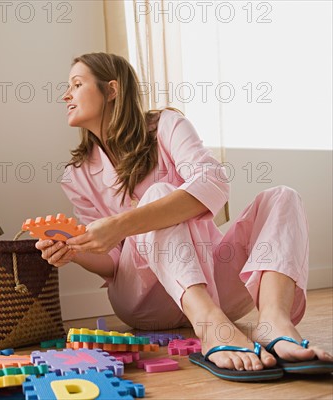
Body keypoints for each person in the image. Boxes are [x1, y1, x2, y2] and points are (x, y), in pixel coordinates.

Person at [37, 52, 333, 379]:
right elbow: (113, 261)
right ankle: (209, 325)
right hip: (144, 299)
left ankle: (275, 322)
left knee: (282, 197)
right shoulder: (77, 175)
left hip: (216, 286)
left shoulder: (166, 125)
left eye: (77, 84)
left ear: (111, 90)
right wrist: (77, 252)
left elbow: (213, 183)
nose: (66, 94)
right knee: (160, 194)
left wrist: (120, 223)